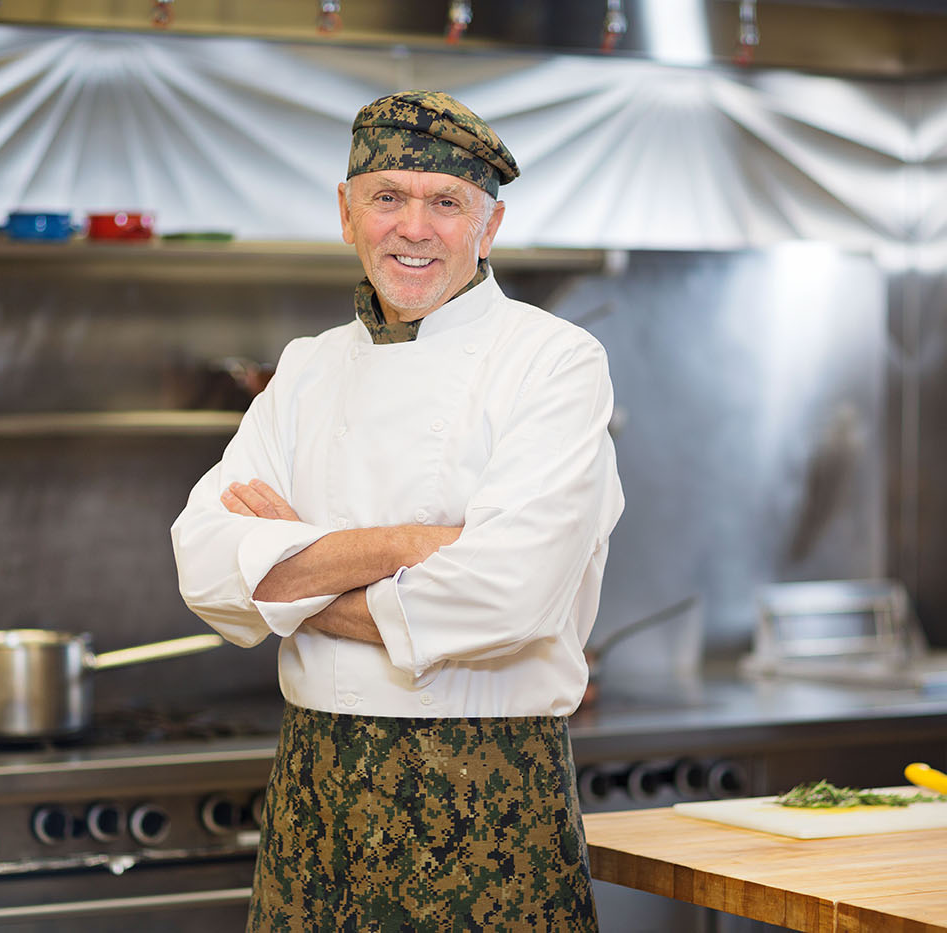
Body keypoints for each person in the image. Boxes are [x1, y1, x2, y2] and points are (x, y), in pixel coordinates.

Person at [170, 89, 624, 932]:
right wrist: (412, 544)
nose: (414, 228)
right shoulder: (303, 369)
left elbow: (507, 594)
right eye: (388, 197)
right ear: (347, 215)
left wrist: (291, 586)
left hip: (485, 793)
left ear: (488, 227)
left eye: (445, 203)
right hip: (311, 791)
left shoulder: (555, 361)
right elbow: (205, 562)